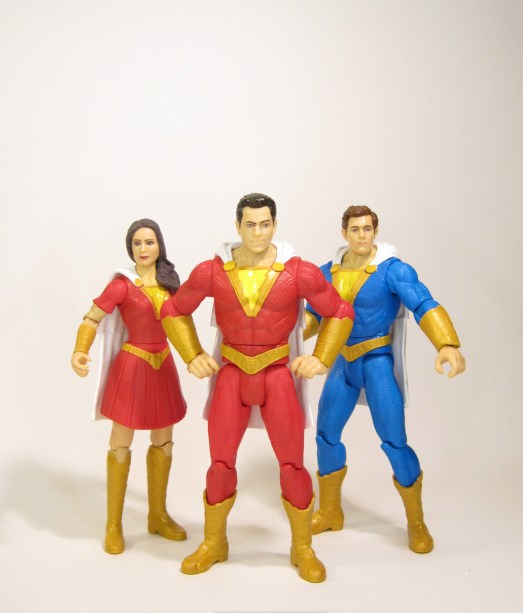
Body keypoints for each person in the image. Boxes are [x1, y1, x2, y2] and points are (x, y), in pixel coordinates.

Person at [161, 193, 354, 582]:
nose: (258, 232)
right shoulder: (213, 271)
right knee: (220, 465)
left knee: (293, 465)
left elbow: (340, 311)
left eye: (265, 224)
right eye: (250, 224)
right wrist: (191, 353)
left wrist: (322, 357)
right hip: (232, 373)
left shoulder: (298, 272)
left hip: (277, 373)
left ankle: (302, 547)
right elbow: (173, 309)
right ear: (237, 226)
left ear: (275, 226)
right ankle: (214, 542)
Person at [305, 205, 466, 553]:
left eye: (367, 229)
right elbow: (312, 316)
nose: (361, 235)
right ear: (344, 232)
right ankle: (330, 510)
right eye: (355, 229)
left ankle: (416, 521)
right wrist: (277, 338)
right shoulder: (326, 273)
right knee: (326, 435)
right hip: (342, 364)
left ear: (375, 232)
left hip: (377, 362)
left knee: (394, 441)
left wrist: (446, 343)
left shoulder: (393, 270)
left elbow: (423, 304)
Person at [71, 219, 187, 554]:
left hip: (162, 365)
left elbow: (184, 323)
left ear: (159, 245)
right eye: (137, 243)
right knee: (121, 442)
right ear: (130, 248)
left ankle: (157, 514)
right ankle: (113, 524)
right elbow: (92, 318)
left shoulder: (169, 283)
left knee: (163, 440)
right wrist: (80, 350)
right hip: (132, 365)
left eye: (149, 242)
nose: (143, 249)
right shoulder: (122, 285)